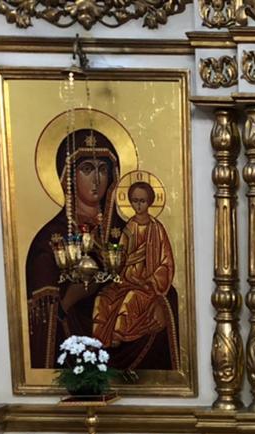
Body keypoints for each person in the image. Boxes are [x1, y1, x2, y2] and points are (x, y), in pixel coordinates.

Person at [25, 128, 178, 373]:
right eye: (87, 169)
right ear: (68, 177)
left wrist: (160, 303)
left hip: (131, 331)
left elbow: (160, 275)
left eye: (103, 170)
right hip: (74, 362)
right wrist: (69, 299)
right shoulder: (50, 240)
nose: (96, 179)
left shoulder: (129, 230)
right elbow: (41, 314)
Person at [92, 180, 178, 369]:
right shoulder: (129, 227)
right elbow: (121, 255)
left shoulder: (156, 228)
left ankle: (118, 334)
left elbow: (166, 263)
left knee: (131, 299)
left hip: (147, 284)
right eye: (135, 201)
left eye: (142, 201)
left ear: (150, 202)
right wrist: (112, 257)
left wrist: (151, 281)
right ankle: (98, 341)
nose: (138, 205)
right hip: (127, 278)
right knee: (103, 298)